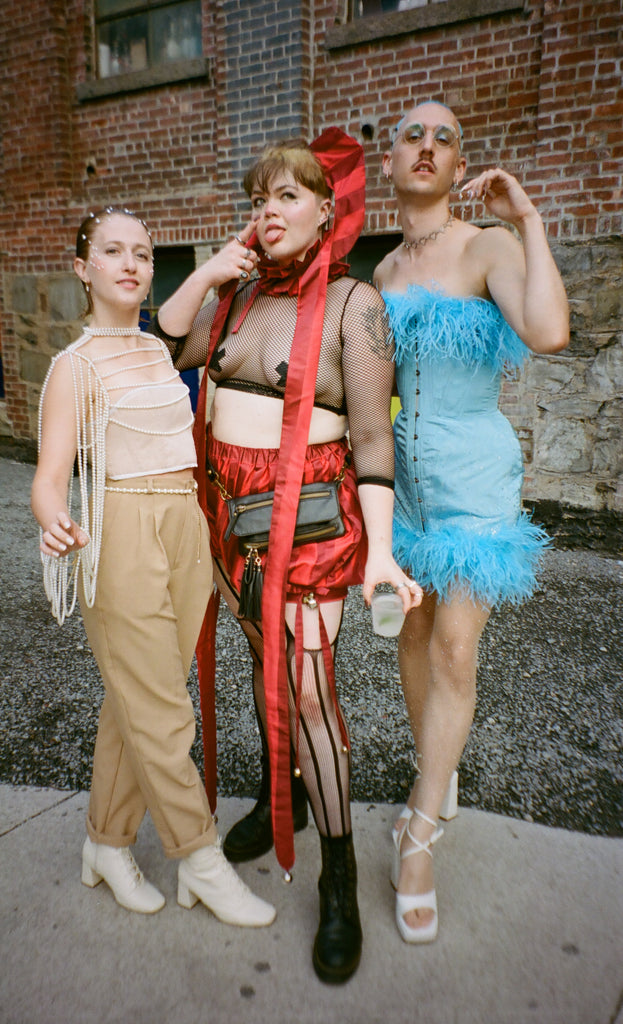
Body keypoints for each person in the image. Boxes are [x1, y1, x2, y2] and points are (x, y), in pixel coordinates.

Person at [152, 130, 422, 983]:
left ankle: (337, 876)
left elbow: (375, 439)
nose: (268, 211)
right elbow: (166, 346)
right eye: (259, 198)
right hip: (230, 525)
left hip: (309, 529)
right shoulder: (232, 301)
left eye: (287, 196)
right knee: (263, 666)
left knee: (308, 697)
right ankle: (293, 798)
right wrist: (207, 272)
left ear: (325, 210)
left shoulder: (355, 306)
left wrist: (380, 554)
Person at [30, 205, 275, 929]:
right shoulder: (72, 368)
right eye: (112, 252)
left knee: (141, 695)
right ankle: (199, 858)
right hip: (122, 529)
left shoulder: (154, 347)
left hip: (184, 525)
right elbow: (48, 476)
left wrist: (210, 270)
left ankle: (105, 842)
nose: (131, 263)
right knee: (164, 713)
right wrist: (52, 520)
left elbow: (173, 313)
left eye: (142, 251)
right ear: (84, 268)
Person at [374, 102, 570, 944]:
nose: (427, 145)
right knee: (412, 639)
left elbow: (549, 331)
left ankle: (419, 833)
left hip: (472, 479)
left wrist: (525, 220)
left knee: (455, 642)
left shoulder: (485, 246)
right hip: (406, 489)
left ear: (460, 168)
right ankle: (436, 773)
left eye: (443, 137)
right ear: (389, 163)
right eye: (412, 135)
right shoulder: (380, 272)